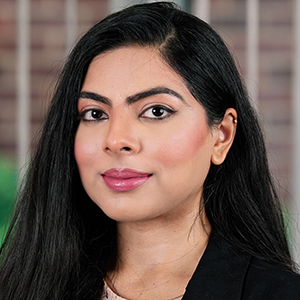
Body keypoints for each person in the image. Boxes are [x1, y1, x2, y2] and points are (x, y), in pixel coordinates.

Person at [0, 2, 299, 299]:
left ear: (221, 136)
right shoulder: (21, 287)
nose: (116, 140)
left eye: (156, 111)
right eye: (94, 114)